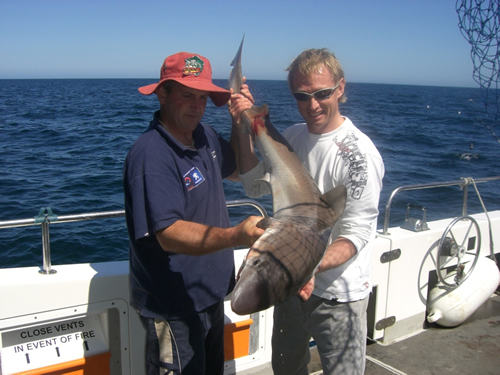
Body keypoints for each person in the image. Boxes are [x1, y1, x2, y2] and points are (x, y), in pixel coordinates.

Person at [235, 48, 385, 374]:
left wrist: (312, 267)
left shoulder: (359, 156)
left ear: (340, 88)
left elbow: (357, 233)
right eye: (302, 96)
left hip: (338, 296)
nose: (312, 104)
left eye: (322, 93)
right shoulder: (291, 137)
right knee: (287, 369)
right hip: (290, 286)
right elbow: (254, 185)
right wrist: (243, 122)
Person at [123, 52, 263, 375]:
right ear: (162, 94)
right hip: (174, 309)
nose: (196, 105)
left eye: (202, 97)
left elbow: (243, 170)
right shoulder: (150, 154)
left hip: (211, 299)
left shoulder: (205, 137)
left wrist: (238, 119)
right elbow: (168, 233)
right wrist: (237, 235)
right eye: (187, 95)